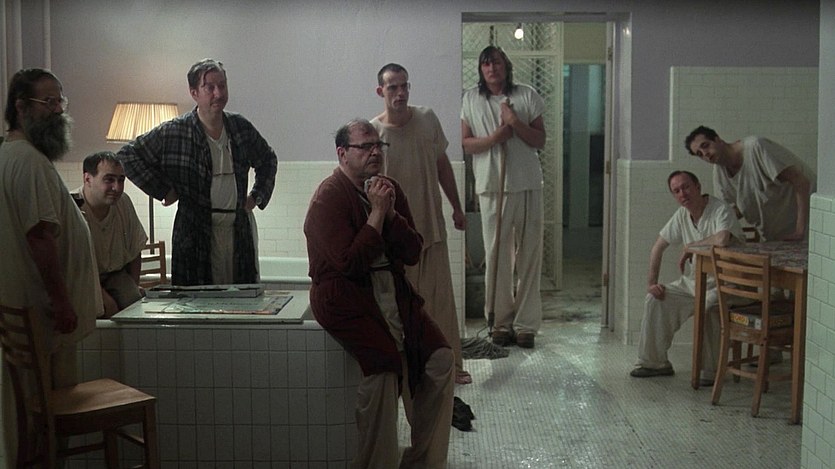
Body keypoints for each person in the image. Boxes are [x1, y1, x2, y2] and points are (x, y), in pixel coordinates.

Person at [304, 119, 454, 469]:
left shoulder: (389, 189)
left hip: (393, 293)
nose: (375, 152)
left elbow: (413, 251)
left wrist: (389, 213)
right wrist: (376, 215)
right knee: (385, 367)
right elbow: (350, 264)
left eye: (378, 146)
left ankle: (423, 461)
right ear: (343, 153)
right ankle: (376, 463)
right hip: (345, 297)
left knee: (441, 360)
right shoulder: (329, 198)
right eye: (365, 146)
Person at [0, 68, 103, 465]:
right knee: (46, 421)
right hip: (45, 319)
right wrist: (61, 302)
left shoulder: (11, 154)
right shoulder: (29, 162)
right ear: (21, 107)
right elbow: (40, 236)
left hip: (27, 315)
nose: (59, 110)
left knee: (28, 420)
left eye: (61, 101)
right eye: (48, 102)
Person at [118, 58, 277, 285]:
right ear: (194, 92)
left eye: (222, 85)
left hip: (237, 231)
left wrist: (256, 196)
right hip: (194, 234)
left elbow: (267, 159)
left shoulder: (240, 127)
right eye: (209, 87)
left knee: (241, 294)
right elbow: (127, 155)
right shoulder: (175, 132)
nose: (218, 93)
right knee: (196, 297)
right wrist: (163, 190)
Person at [371, 63, 472, 385]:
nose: (400, 93)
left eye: (404, 86)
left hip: (432, 228)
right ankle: (410, 370)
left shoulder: (427, 119)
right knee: (403, 307)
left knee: (441, 303)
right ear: (380, 91)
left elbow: (442, 166)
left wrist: (457, 208)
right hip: (398, 238)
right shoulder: (375, 133)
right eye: (393, 87)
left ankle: (452, 366)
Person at [460, 45, 546, 348]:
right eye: (486, 64)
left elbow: (540, 140)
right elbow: (466, 144)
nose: (491, 68)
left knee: (530, 255)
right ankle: (499, 322)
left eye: (496, 62)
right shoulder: (471, 99)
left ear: (505, 65)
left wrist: (515, 123)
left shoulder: (526, 95)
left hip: (527, 184)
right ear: (481, 69)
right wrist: (496, 137)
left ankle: (525, 325)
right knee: (496, 255)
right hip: (491, 186)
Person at [630, 171, 744, 384]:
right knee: (656, 299)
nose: (682, 193)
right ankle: (654, 363)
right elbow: (658, 247)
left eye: (686, 187)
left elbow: (722, 239)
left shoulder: (720, 209)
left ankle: (710, 371)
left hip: (729, 285)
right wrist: (651, 284)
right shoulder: (682, 215)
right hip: (695, 282)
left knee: (709, 305)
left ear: (698, 186)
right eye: (676, 191)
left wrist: (691, 246)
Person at [685, 125, 815, 242]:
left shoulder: (756, 147)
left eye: (705, 145)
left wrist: (800, 231)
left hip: (808, 227)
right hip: (775, 238)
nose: (705, 154)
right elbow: (732, 211)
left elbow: (801, 182)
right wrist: (706, 226)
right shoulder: (719, 174)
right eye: (699, 154)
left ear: (718, 139)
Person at [71, 151, 148, 317]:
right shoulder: (72, 207)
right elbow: (74, 267)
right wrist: (102, 297)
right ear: (87, 179)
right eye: (109, 180)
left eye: (121, 180)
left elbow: (135, 250)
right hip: (81, 277)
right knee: (103, 309)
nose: (117, 187)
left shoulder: (123, 202)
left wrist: (134, 285)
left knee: (134, 304)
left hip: (115, 274)